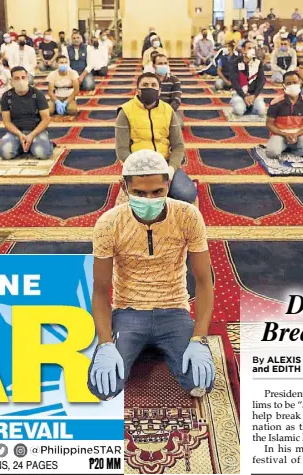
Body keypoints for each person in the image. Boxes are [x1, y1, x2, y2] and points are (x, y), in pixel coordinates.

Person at [88, 149, 214, 401]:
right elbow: (101, 291)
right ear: (124, 188)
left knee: (200, 383)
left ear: (168, 184)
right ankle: (140, 346)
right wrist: (104, 344)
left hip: (175, 311)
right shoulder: (108, 223)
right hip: (128, 313)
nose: (149, 199)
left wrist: (199, 338)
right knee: (102, 388)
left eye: (157, 192)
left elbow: (204, 282)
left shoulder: (188, 216)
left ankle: (157, 346)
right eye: (139, 193)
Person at [115, 73, 196, 203]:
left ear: (159, 91)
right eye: (145, 85)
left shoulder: (168, 110)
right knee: (141, 200)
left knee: (187, 194)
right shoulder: (125, 111)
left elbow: (178, 146)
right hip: (138, 165)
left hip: (164, 163)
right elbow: (122, 149)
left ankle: (162, 189)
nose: (149, 88)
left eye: (153, 85)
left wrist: (171, 169)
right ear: (138, 90)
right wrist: (139, 169)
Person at [0, 67, 53, 160]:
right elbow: (7, 121)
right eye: (17, 78)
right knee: (5, 154)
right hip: (16, 132)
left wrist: (32, 135)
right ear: (11, 81)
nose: (21, 81)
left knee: (42, 154)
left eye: (23, 77)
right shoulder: (6, 96)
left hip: (36, 131)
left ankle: (46, 144)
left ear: (27, 78)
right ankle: (22, 146)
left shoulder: (38, 94)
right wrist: (20, 135)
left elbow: (46, 119)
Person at [264, 71, 303, 160]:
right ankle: (286, 147)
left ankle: (287, 149)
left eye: (295, 82)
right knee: (271, 153)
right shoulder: (276, 102)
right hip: (279, 135)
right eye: (289, 83)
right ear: (284, 85)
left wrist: (297, 134)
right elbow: (269, 124)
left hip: (299, 135)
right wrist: (284, 134)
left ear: (300, 82)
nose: (292, 85)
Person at [229, 41, 267, 116]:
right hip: (239, 93)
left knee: (261, 111)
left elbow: (262, 80)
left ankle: (249, 105)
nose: (252, 50)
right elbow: (234, 82)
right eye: (249, 48)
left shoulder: (258, 63)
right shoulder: (235, 62)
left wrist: (254, 95)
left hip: (253, 94)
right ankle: (242, 105)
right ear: (243, 50)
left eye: (253, 48)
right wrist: (244, 96)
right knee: (239, 111)